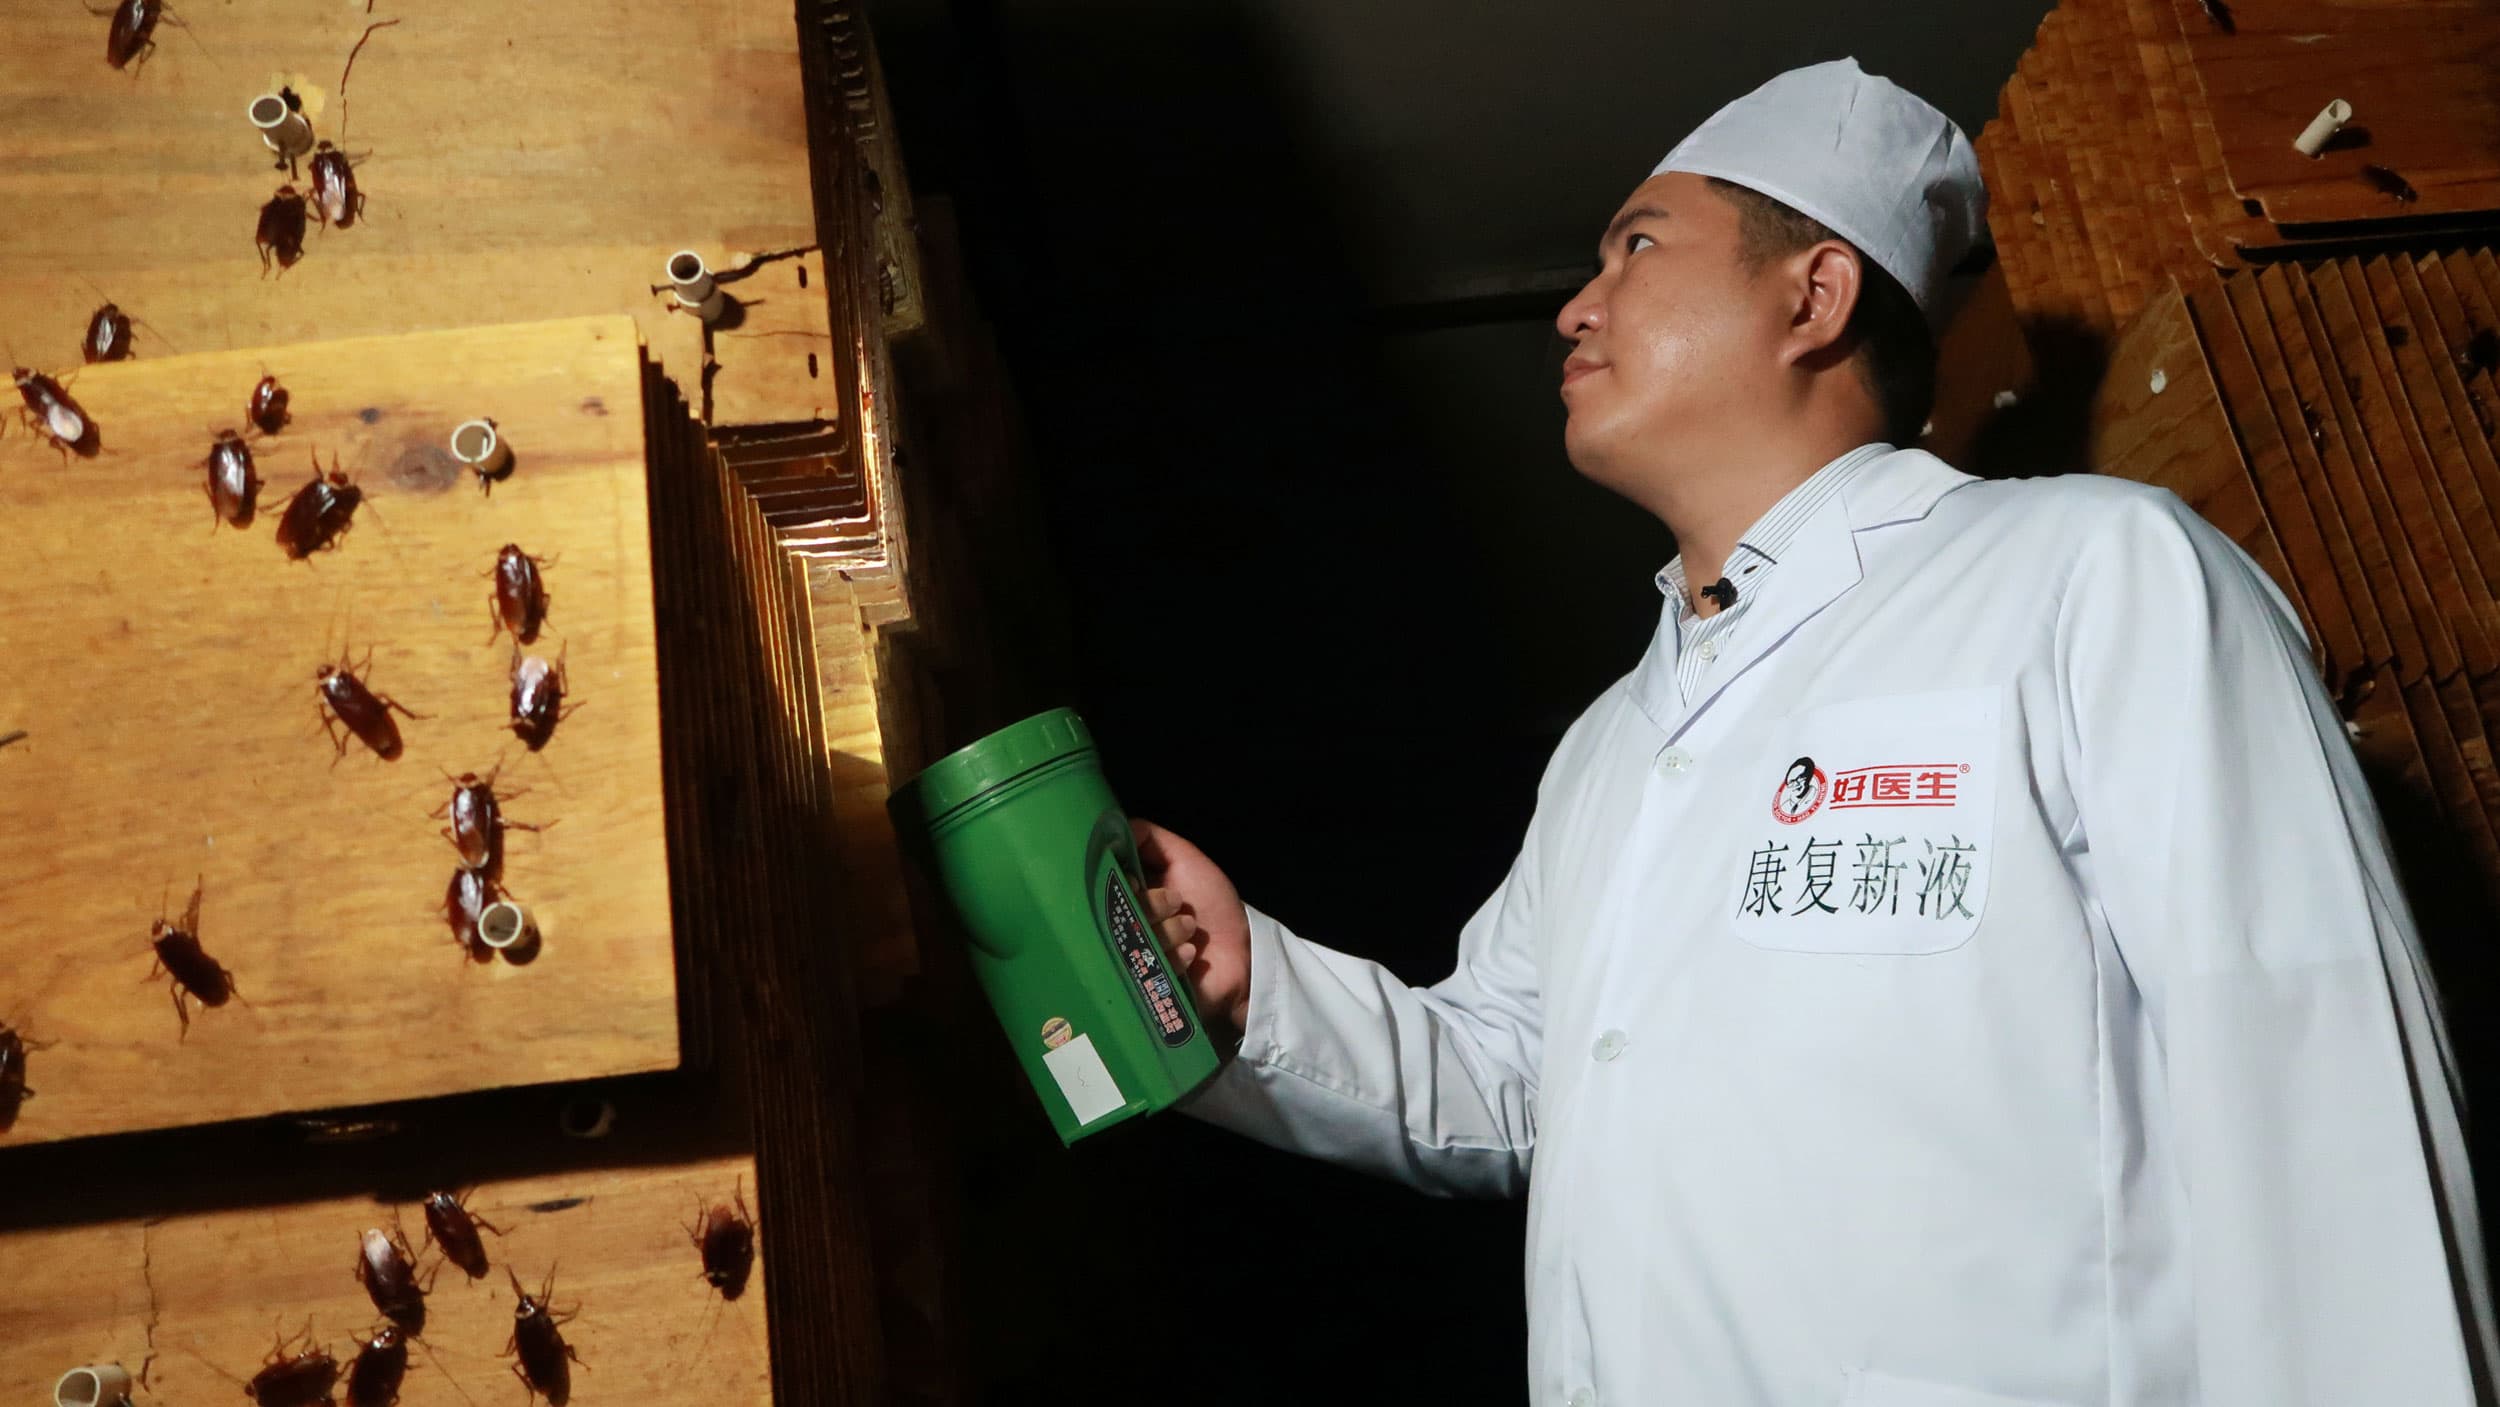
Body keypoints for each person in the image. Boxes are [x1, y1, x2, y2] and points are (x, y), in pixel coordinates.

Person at [1132, 58, 2498, 1406]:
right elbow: (1520, 1082)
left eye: (1637, 248)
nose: (1574, 310)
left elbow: (2312, 1077)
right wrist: (1257, 986)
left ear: (1815, 293)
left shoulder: (2092, 576)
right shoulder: (1612, 746)